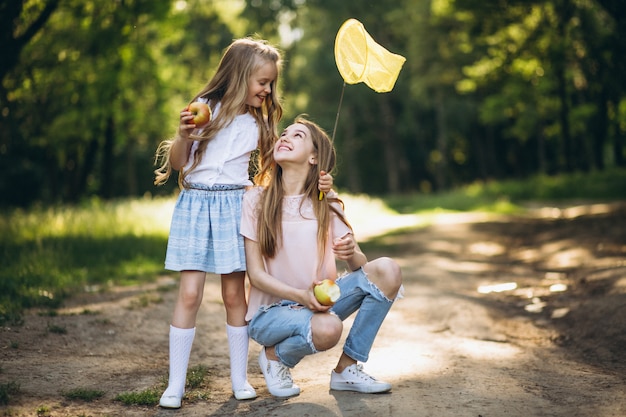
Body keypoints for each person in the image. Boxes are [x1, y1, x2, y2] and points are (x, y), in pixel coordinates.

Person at [153, 39, 333, 408]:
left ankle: (238, 378)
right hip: (196, 203)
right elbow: (177, 163)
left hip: (234, 205)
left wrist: (318, 185)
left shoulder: (260, 121)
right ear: (239, 76)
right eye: (262, 82)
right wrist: (184, 134)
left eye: (270, 84)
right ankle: (175, 384)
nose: (267, 90)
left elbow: (279, 169)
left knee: (235, 295)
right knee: (189, 295)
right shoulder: (204, 108)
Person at [241, 116, 403, 398]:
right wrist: (301, 296)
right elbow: (256, 275)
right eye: (285, 133)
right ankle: (274, 357)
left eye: (298, 135)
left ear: (314, 157)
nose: (285, 137)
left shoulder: (324, 200)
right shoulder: (256, 199)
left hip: (318, 304)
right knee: (329, 328)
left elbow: (361, 269)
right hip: (269, 315)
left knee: (387, 270)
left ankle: (347, 370)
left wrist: (351, 253)